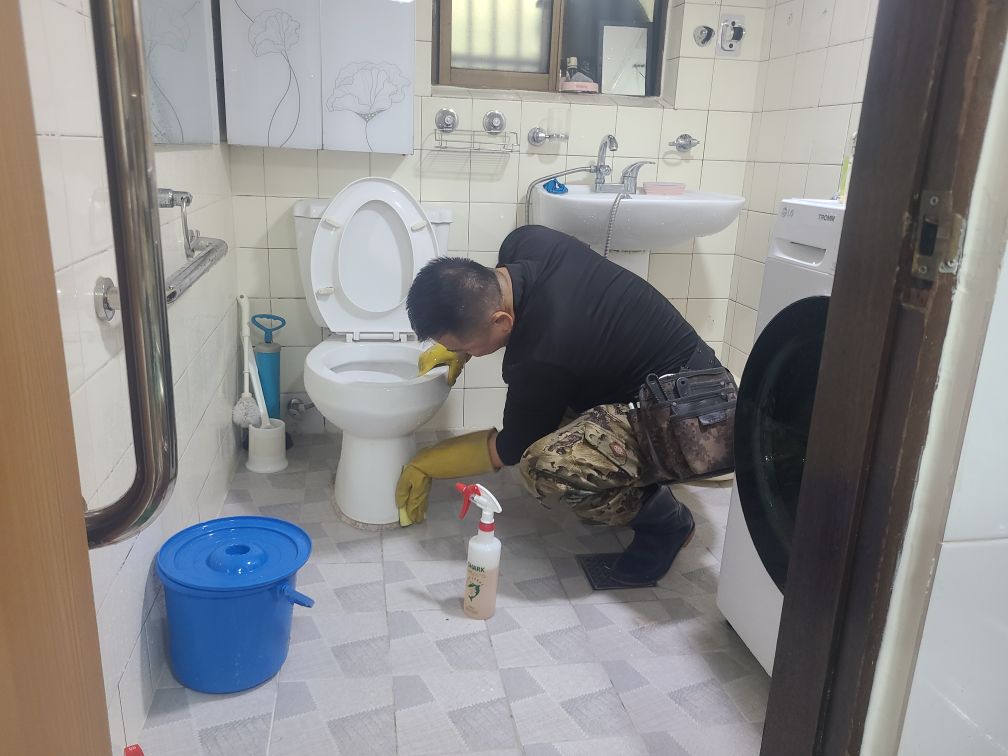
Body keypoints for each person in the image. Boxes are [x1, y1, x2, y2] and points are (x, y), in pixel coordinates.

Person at [395, 225, 722, 586]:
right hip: (692, 375)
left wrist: (428, 462)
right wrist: (462, 347)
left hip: (691, 422)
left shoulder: (542, 355)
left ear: (501, 321)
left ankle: (667, 524)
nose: (460, 353)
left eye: (463, 347)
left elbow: (511, 448)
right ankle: (629, 473)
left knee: (547, 465)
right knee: (554, 417)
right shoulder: (525, 242)